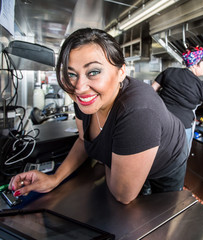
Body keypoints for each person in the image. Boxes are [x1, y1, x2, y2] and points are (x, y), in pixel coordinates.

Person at [9, 28, 188, 205]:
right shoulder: (85, 99)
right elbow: (83, 140)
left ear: (121, 72)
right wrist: (55, 178)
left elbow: (123, 194)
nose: (79, 87)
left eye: (93, 72)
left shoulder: (138, 112)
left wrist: (108, 161)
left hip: (166, 164)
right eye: (71, 74)